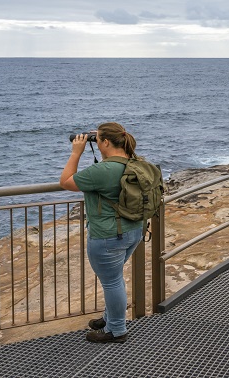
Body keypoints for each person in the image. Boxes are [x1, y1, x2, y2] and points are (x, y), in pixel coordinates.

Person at [59, 122, 142, 343]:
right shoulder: (136, 163)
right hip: (134, 231)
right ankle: (109, 317)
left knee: (112, 281)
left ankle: (116, 330)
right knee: (114, 278)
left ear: (104, 142)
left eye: (98, 138)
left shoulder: (102, 170)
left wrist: (76, 152)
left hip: (108, 236)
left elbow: (66, 182)